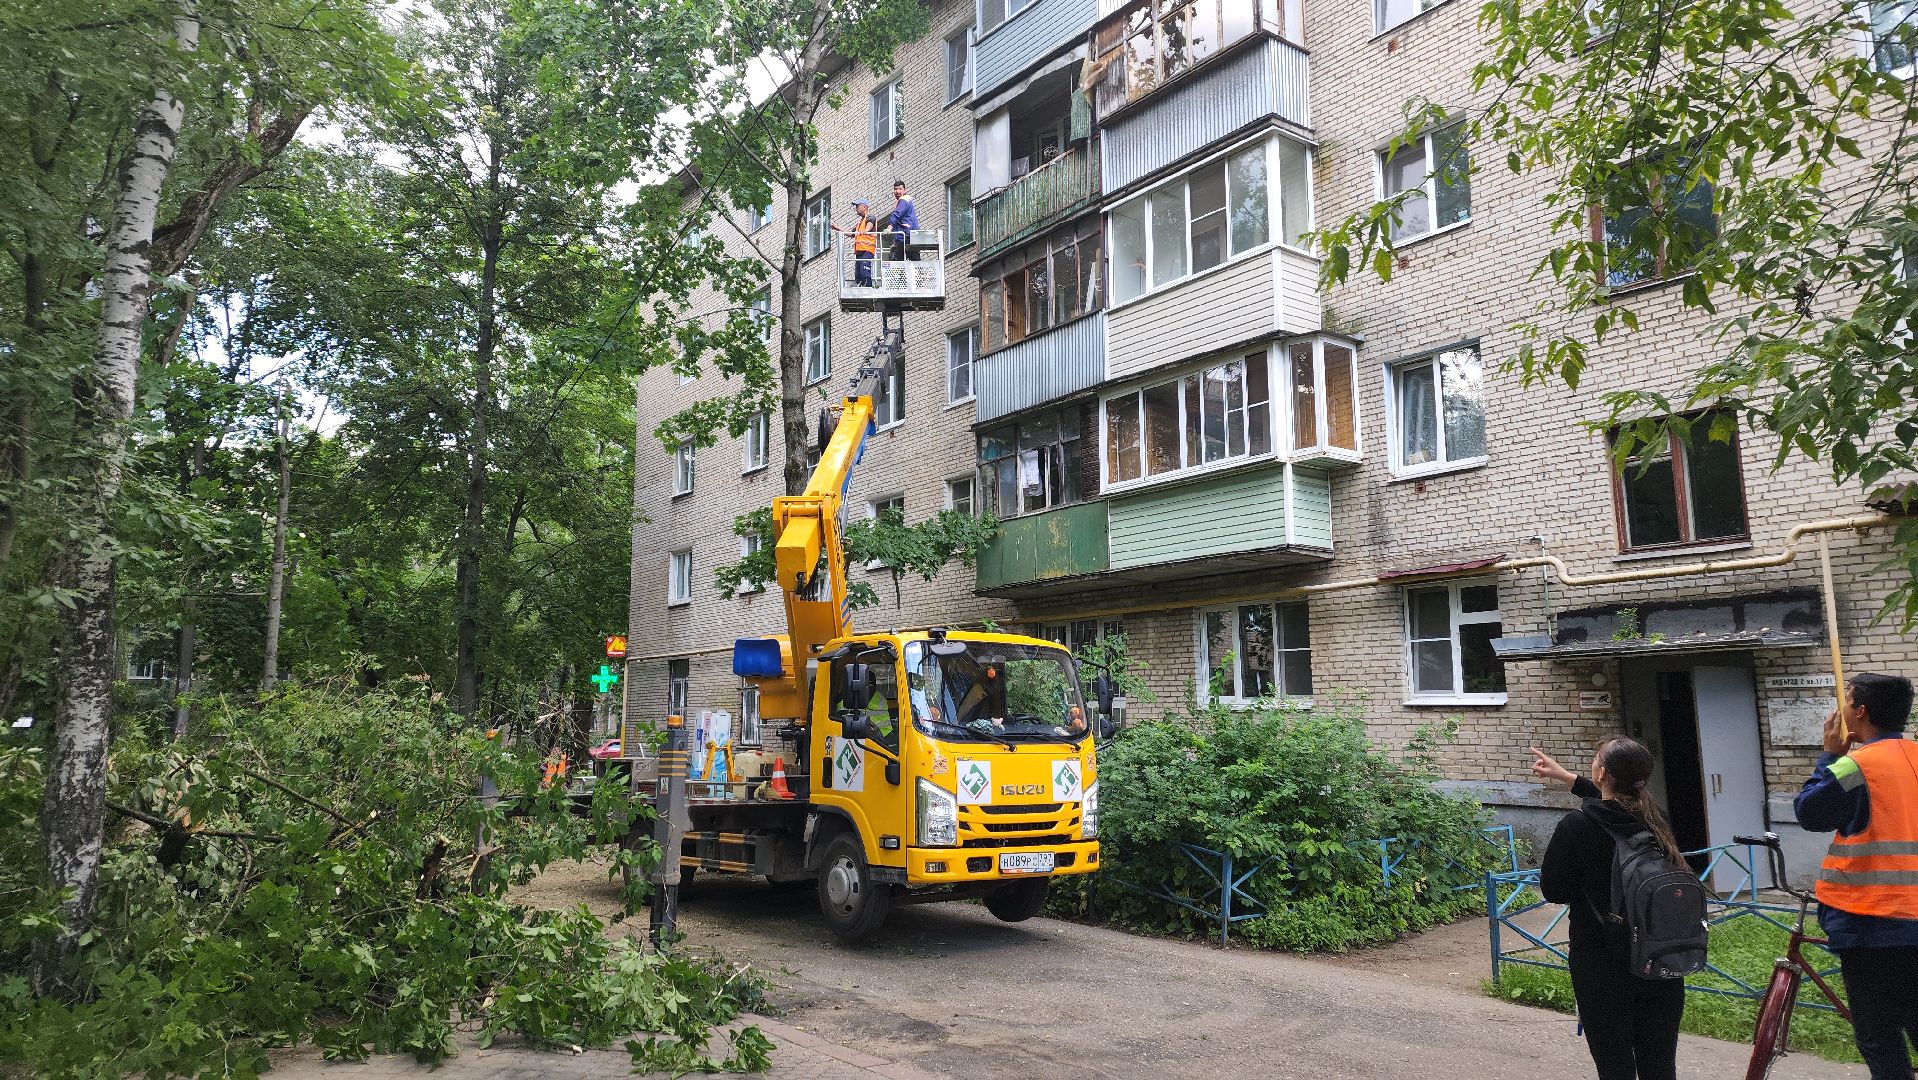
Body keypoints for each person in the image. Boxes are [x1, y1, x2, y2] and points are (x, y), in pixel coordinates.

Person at [1530, 738, 1687, 1080]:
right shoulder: (1657, 819)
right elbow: (1618, 805)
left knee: (1615, 1067)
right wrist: (1568, 778)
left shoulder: (1576, 826)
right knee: (1660, 1066)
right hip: (1659, 959)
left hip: (1601, 964)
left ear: (1602, 774)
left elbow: (1554, 890)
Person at [1794, 672, 1918, 1080]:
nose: (1842, 708)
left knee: (1879, 1035)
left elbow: (1810, 812)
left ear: (1860, 712)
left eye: (1846, 701)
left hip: (1874, 923)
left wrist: (1829, 757)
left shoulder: (1856, 766)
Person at [829, 198, 878, 286]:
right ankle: (861, 286)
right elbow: (851, 234)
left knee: (865, 271)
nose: (856, 208)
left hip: (867, 250)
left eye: (857, 206)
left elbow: (870, 224)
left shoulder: (870, 217)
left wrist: (866, 230)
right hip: (860, 251)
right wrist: (837, 228)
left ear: (864, 207)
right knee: (858, 275)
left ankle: (867, 287)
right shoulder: (859, 223)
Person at [885, 179, 918, 260]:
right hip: (909, 236)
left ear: (904, 190)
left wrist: (889, 228)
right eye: (895, 189)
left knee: (898, 260)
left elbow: (897, 214)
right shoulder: (905, 201)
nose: (897, 191)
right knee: (914, 259)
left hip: (906, 236)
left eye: (900, 189)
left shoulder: (904, 200)